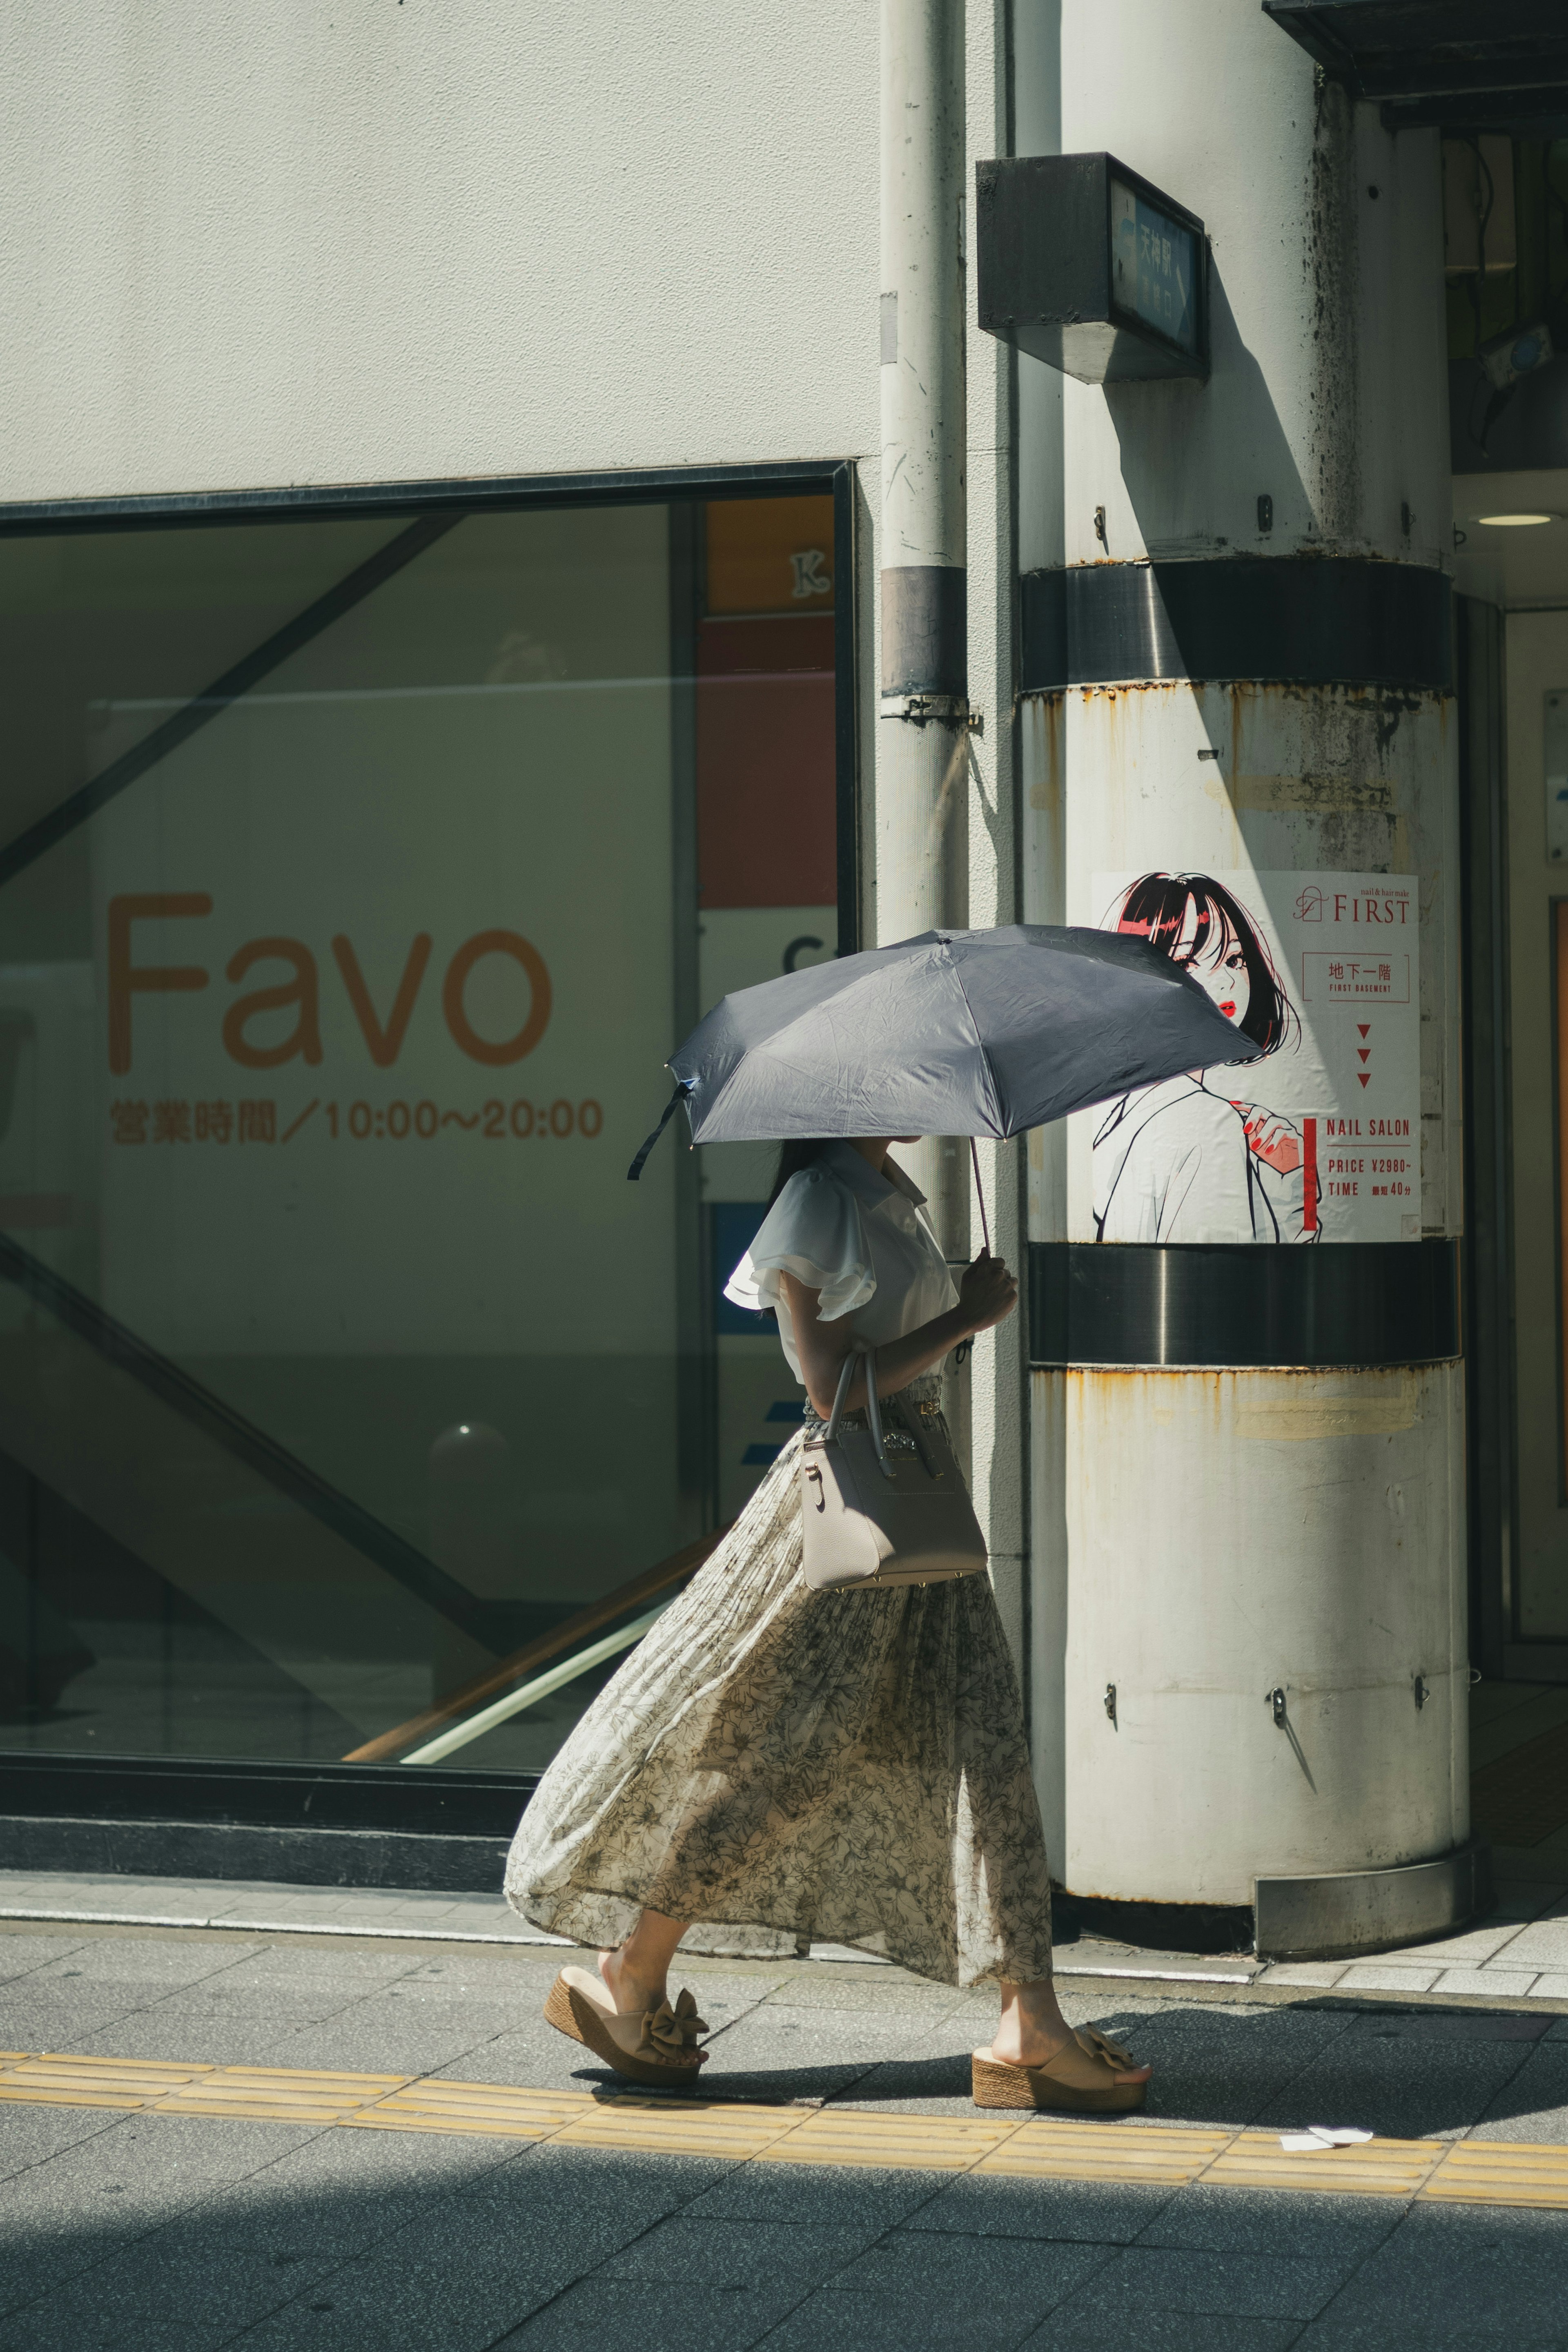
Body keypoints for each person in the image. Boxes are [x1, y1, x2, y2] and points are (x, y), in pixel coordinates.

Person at [506, 1134, 1151, 2113]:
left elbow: (892, 1353)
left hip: (916, 1496)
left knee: (986, 1746)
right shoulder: (816, 1195)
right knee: (777, 1755)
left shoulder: (885, 1188)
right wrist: (965, 1317)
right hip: (853, 1513)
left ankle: (1029, 2019)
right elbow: (822, 1380)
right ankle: (631, 1967)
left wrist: (959, 1310)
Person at [1093, 871, 1319, 1244]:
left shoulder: (1126, 1113)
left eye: (1234, 959)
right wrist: (1300, 1181)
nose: (1227, 983)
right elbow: (1234, 1279)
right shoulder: (1198, 1120)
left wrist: (1294, 1179)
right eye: (1187, 962)